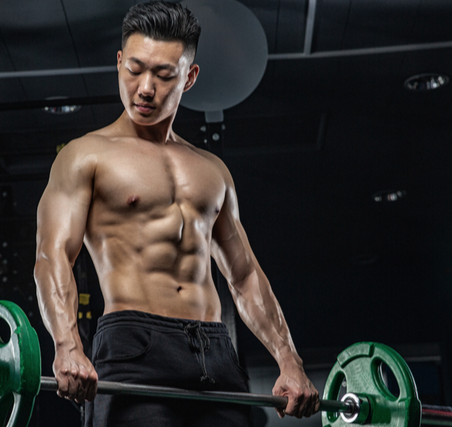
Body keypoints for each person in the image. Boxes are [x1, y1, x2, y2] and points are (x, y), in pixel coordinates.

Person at [34, 2, 319, 425]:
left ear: (189, 76)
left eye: (164, 75)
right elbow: (52, 256)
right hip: (134, 347)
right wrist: (67, 344)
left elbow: (243, 275)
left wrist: (289, 359)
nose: (145, 87)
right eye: (134, 69)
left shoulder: (212, 171)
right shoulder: (85, 156)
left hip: (216, 350)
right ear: (118, 63)